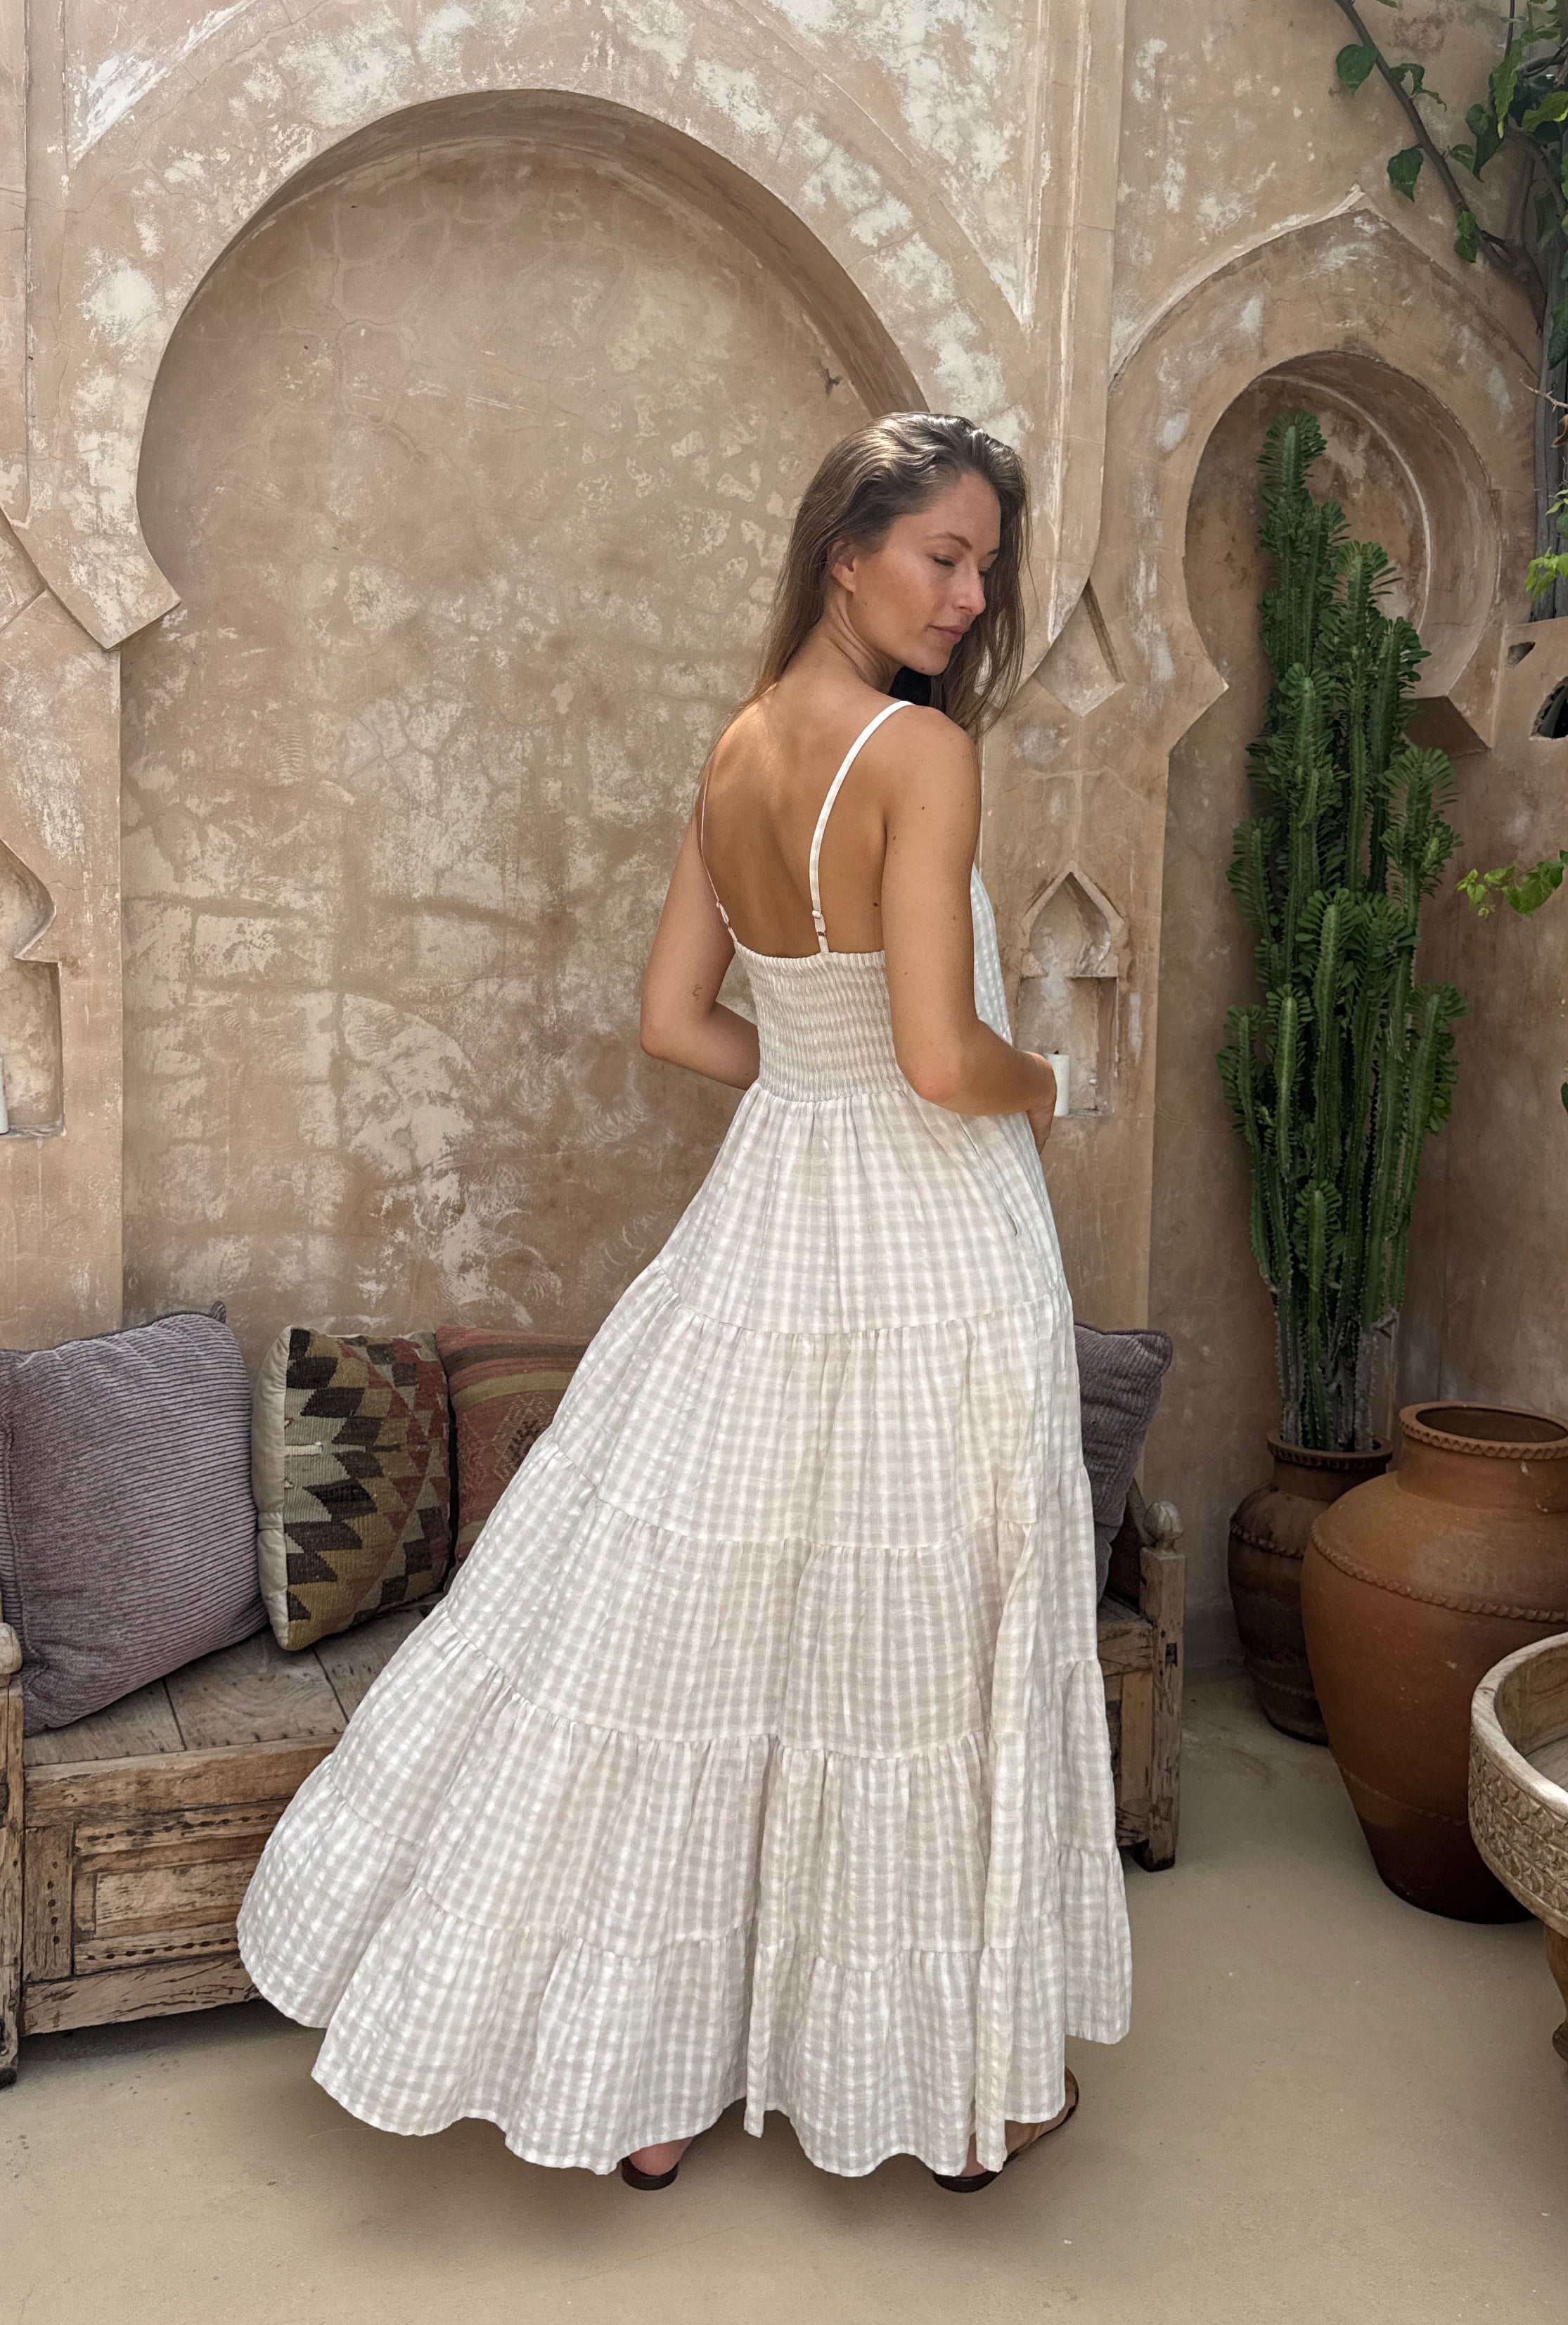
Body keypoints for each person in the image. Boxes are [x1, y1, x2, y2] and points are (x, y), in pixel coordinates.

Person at [237, 411, 1130, 2193]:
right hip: (929, 1242)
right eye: (944, 554)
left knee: (703, 1620)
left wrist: (808, 1076)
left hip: (768, 1217)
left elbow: (671, 1020)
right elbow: (947, 1060)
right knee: (913, 1636)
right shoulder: (917, 757)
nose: (971, 594)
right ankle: (948, 2088)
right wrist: (1059, 1083)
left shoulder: (731, 751)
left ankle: (643, 2082)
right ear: (846, 549)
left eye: (983, 567)